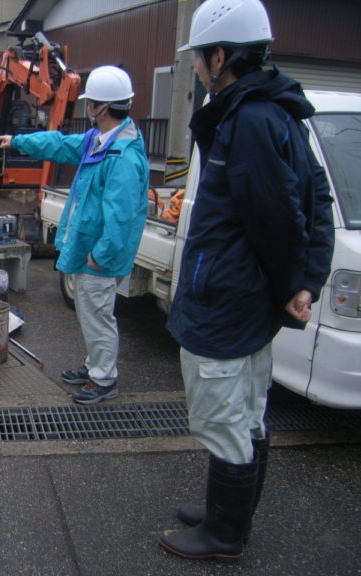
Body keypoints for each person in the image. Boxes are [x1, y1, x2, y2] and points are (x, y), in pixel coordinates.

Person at [159, 0, 335, 562]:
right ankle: (225, 514)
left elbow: (279, 218)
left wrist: (296, 284)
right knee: (249, 406)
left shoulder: (249, 119)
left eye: (202, 60)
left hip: (230, 298)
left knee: (223, 410)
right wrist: (303, 279)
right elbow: (315, 197)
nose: (201, 70)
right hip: (247, 296)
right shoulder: (275, 111)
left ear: (220, 56)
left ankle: (224, 536)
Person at [0, 65, 149, 404]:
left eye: (90, 102)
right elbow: (60, 144)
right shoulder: (100, 140)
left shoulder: (122, 156)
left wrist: (102, 255)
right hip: (89, 247)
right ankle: (95, 365)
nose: (87, 106)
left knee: (98, 315)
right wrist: (19, 140)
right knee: (90, 312)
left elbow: (122, 218)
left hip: (100, 254)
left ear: (102, 108)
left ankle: (104, 379)